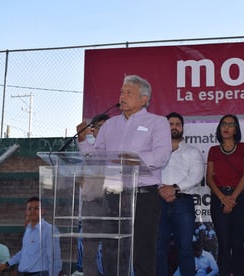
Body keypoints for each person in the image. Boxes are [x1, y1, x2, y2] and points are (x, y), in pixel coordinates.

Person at [78, 74, 172, 276]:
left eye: (129, 92)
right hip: (113, 195)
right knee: (112, 250)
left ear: (144, 99)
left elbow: (162, 155)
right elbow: (96, 158)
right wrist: (83, 140)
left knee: (142, 252)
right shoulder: (110, 124)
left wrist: (136, 160)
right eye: (122, 91)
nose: (122, 95)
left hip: (144, 196)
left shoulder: (158, 122)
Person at [156, 112, 205, 276]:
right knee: (158, 249)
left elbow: (196, 175)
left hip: (183, 203)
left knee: (185, 249)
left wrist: (174, 188)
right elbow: (149, 172)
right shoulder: (156, 151)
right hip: (158, 202)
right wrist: (162, 190)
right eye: (170, 124)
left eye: (178, 124)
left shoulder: (192, 151)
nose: (174, 127)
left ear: (183, 128)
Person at [206, 114, 244, 276]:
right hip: (219, 199)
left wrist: (231, 198)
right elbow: (209, 179)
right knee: (224, 244)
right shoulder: (213, 150)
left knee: (237, 243)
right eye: (223, 124)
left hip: (240, 199)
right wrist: (223, 198)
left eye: (230, 124)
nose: (226, 127)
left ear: (236, 129)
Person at [75, 113, 109, 274]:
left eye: (106, 127)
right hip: (91, 205)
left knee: (111, 251)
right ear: (93, 130)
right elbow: (78, 177)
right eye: (99, 127)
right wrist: (82, 139)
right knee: (89, 253)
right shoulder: (84, 149)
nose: (102, 131)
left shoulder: (116, 150)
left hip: (111, 205)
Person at [0, 197, 62, 276]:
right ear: (26, 212)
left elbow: (54, 258)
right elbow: (23, 252)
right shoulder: (28, 229)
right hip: (23, 273)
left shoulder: (49, 230)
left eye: (36, 208)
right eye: (30, 209)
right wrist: (6, 264)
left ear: (43, 211)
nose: (32, 211)